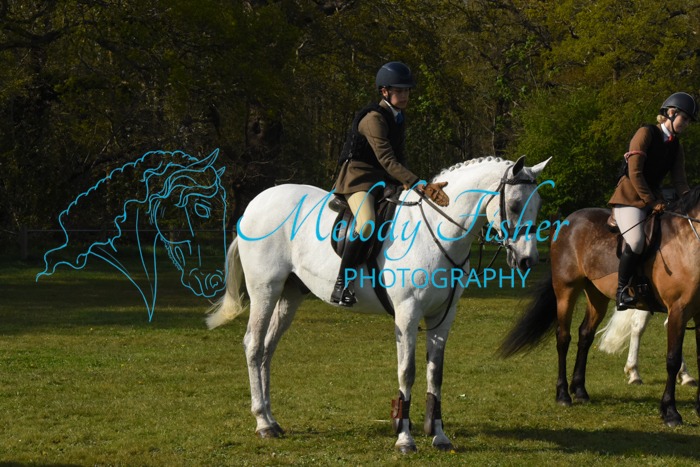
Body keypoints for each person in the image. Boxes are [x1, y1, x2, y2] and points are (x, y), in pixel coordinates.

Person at [330, 61, 450, 307]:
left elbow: (399, 156)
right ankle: (341, 284)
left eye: (407, 91)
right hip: (357, 179)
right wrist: (415, 182)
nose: (405, 95)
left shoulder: (398, 117)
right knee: (367, 224)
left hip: (382, 178)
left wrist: (408, 182)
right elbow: (386, 158)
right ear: (384, 91)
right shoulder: (373, 118)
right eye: (399, 91)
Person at [608, 92, 697, 310]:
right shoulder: (645, 133)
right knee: (637, 241)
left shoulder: (676, 146)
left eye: (688, 121)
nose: (686, 124)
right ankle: (621, 290)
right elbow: (635, 173)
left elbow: (680, 181)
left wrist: (691, 204)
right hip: (629, 197)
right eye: (684, 118)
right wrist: (652, 201)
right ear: (670, 113)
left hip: (654, 200)